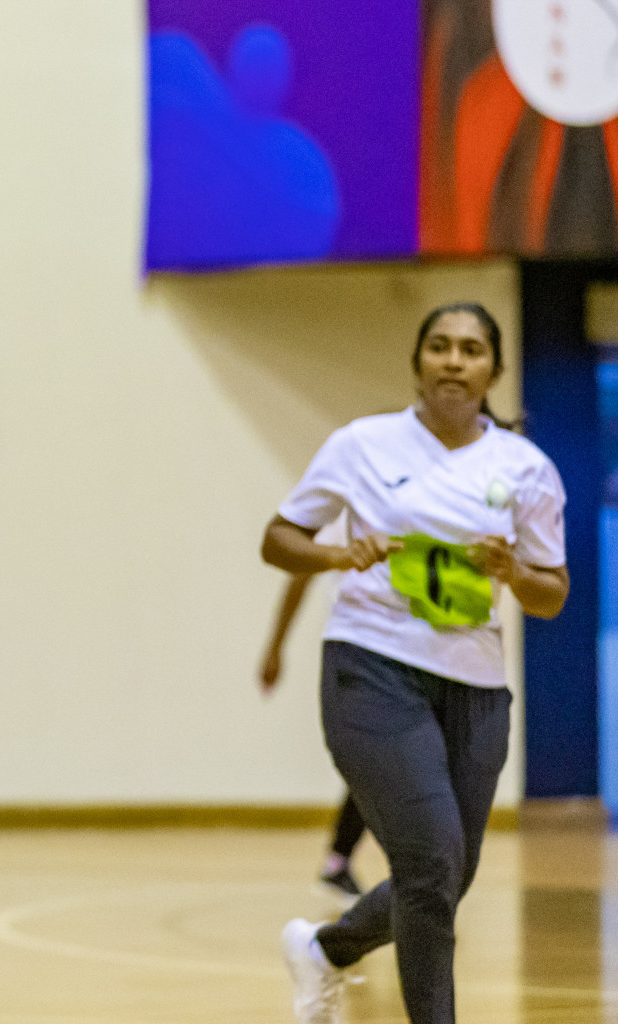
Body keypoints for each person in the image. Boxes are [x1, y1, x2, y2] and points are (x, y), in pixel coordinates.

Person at [261, 302, 569, 1024]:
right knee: (430, 864)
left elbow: (552, 594)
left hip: (476, 684)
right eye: (439, 346)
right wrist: (340, 552)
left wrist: (515, 572)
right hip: (372, 665)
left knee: (445, 874)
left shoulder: (525, 468)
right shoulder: (362, 445)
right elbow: (278, 539)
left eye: (470, 349)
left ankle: (327, 951)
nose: (454, 360)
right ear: (419, 362)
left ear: (493, 369)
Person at [258, 516, 369, 905]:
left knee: (386, 764)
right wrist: (275, 647)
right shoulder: (344, 512)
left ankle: (343, 862)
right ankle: (340, 864)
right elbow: (298, 576)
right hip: (355, 653)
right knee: (377, 761)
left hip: (405, 657)